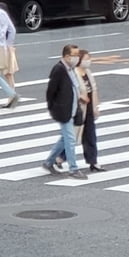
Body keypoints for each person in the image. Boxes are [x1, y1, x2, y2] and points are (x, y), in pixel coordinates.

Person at [40, 44, 86, 179]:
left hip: (71, 109)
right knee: (70, 139)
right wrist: (53, 108)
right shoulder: (59, 69)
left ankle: (48, 162)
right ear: (66, 56)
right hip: (63, 111)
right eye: (75, 55)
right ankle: (73, 169)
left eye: (78, 55)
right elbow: (51, 91)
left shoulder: (71, 69)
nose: (77, 58)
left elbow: (74, 89)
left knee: (64, 139)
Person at [74, 50, 105, 172]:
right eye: (86, 58)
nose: (88, 61)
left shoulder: (88, 72)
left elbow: (94, 90)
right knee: (73, 135)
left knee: (90, 135)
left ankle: (93, 161)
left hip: (89, 108)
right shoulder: (74, 73)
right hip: (79, 109)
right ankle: (59, 158)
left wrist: (96, 107)